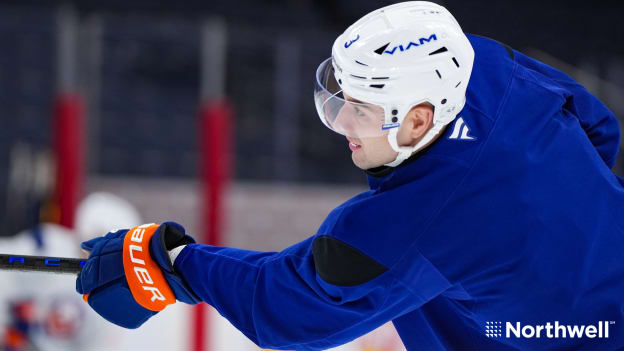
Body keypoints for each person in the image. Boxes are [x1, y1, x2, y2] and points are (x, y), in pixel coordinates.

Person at [75, 2, 624, 350]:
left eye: (360, 110)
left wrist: (176, 266)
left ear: (418, 118)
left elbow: (288, 310)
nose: (342, 125)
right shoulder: (481, 65)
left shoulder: (413, 224)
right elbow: (597, 126)